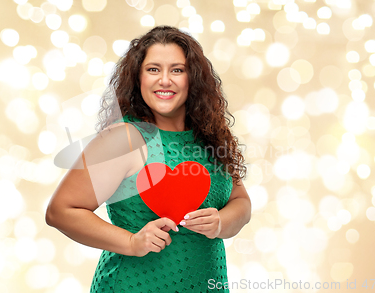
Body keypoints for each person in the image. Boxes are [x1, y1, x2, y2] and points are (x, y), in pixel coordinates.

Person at [45, 25, 251, 292]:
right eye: (153, 69)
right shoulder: (124, 138)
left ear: (194, 78)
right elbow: (60, 211)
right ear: (138, 78)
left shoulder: (211, 138)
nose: (165, 80)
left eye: (177, 70)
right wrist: (131, 242)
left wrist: (221, 223)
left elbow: (241, 202)